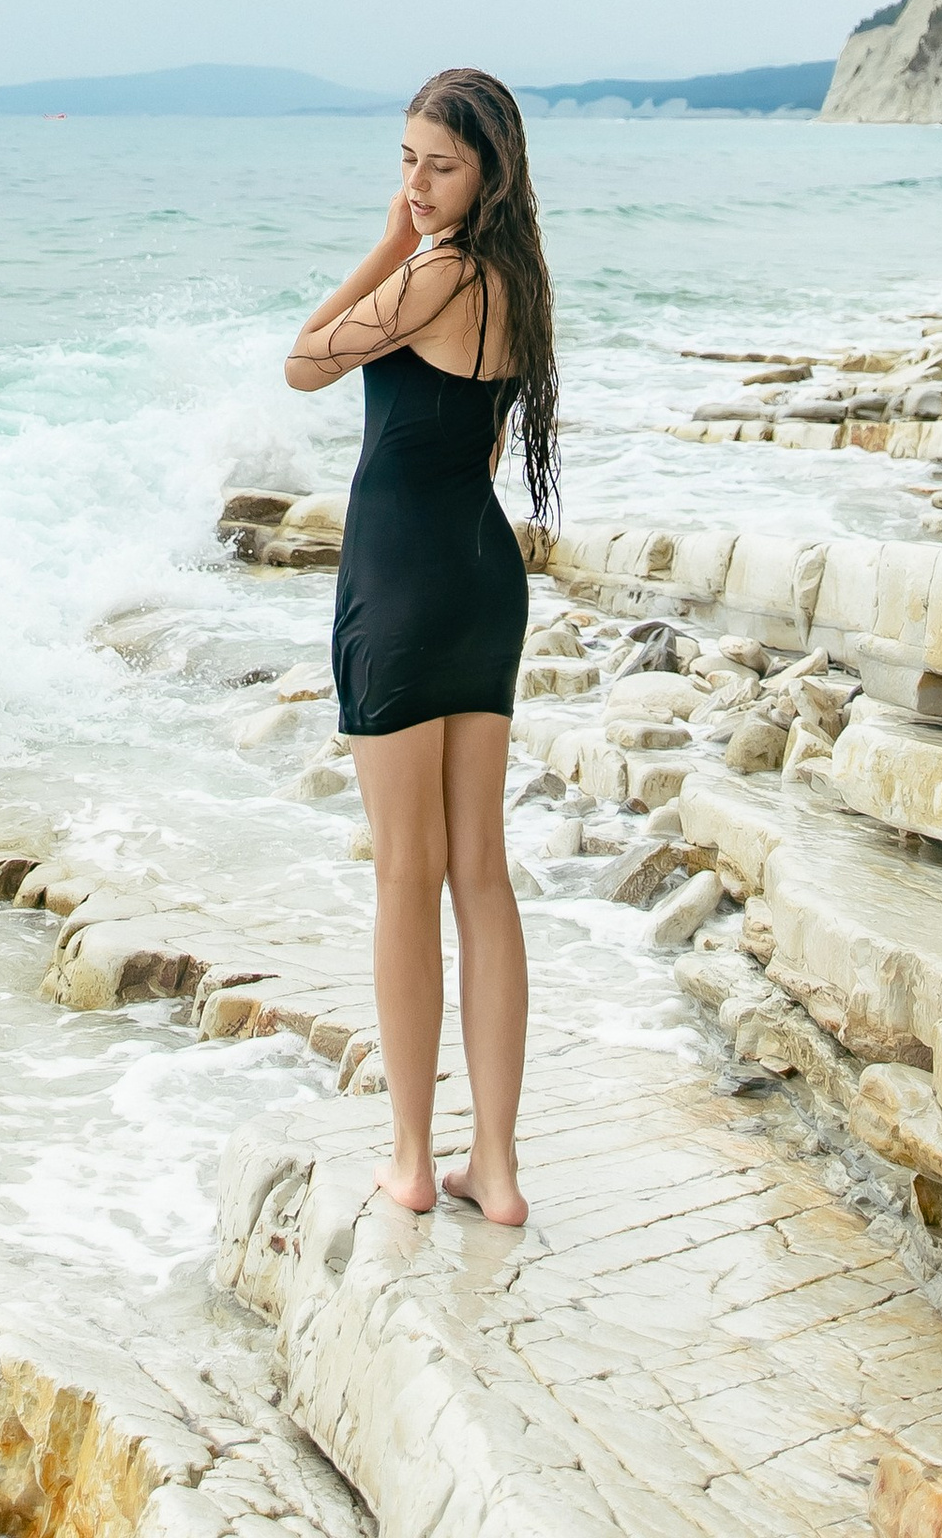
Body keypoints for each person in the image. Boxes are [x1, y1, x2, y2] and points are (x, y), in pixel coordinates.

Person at [283, 65, 559, 1226]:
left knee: (407, 871)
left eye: (440, 166)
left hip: (398, 583)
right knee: (478, 869)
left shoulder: (434, 272)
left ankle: (410, 1158)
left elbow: (305, 358)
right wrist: (416, 231)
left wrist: (389, 242)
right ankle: (493, 1167)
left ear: (489, 172)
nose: (417, 184)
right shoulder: (517, 283)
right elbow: (476, 450)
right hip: (481, 578)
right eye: (405, 162)